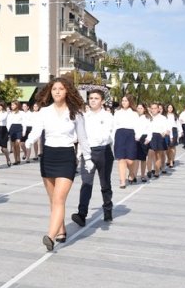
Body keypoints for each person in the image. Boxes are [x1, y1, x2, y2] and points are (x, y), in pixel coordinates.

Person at [24, 77, 92, 252]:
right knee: (53, 200)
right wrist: (29, 141)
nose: (57, 92)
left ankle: (50, 236)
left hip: (66, 157)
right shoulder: (44, 112)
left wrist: (88, 158)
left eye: (61, 89)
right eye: (54, 89)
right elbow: (37, 130)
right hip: (48, 156)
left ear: (67, 91)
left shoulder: (75, 113)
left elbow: (83, 137)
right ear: (50, 91)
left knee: (59, 199)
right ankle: (61, 230)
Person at [72, 89, 114, 226]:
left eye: (96, 98)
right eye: (90, 98)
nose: (93, 100)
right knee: (86, 183)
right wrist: (80, 153)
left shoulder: (108, 116)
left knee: (105, 183)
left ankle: (108, 209)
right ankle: (81, 214)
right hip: (88, 153)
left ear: (102, 101)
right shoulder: (84, 116)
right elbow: (80, 137)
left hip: (104, 152)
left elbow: (108, 135)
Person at [113, 95, 142, 189]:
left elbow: (138, 126)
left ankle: (132, 173)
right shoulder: (117, 112)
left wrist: (137, 136)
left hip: (131, 135)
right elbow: (114, 125)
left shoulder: (134, 113)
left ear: (130, 102)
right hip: (119, 135)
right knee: (121, 159)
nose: (124, 102)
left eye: (126, 101)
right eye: (122, 100)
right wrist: (113, 138)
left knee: (130, 160)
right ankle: (122, 181)